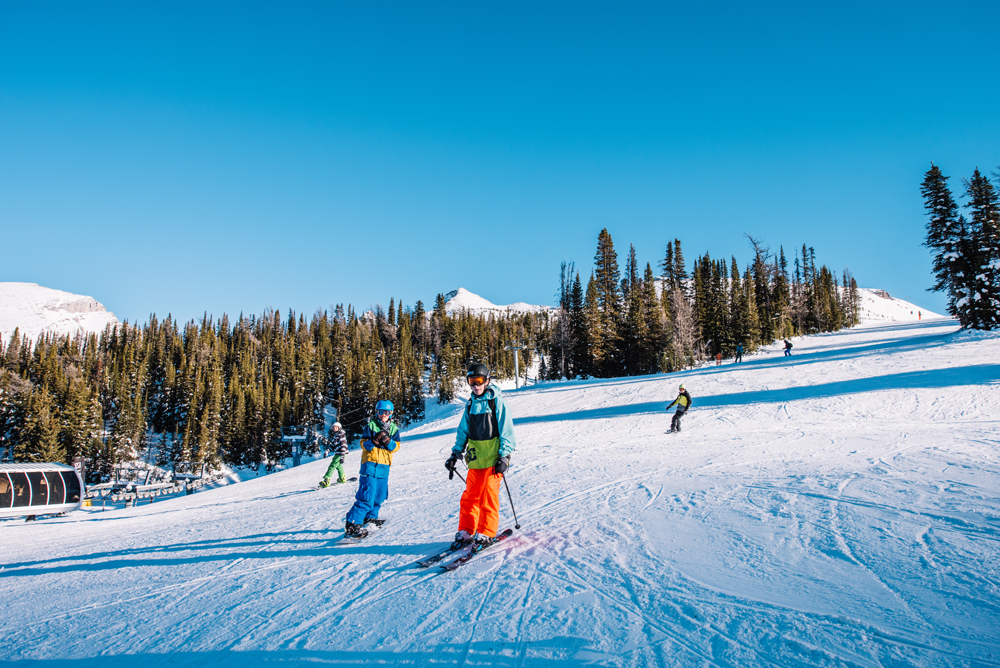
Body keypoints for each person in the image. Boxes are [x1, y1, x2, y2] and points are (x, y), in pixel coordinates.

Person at [445, 363, 517, 549]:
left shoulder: (497, 403)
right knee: (470, 497)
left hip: (493, 460)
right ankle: (466, 531)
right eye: (472, 381)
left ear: (487, 381)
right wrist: (455, 453)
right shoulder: (470, 405)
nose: (476, 386)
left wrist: (504, 456)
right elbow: (463, 432)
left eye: (479, 381)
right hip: (475, 460)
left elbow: (507, 432)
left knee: (488, 497)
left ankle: (486, 532)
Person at [344, 400, 401, 538]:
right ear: (377, 412)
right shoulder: (371, 426)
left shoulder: (394, 429)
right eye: (381, 412)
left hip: (384, 466)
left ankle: (370, 517)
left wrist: (389, 441)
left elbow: (396, 447)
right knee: (367, 495)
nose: (383, 415)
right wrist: (373, 441)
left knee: (380, 495)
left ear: (391, 414)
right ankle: (352, 523)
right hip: (370, 465)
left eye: (386, 412)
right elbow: (363, 444)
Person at [318, 422, 349, 487]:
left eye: (336, 427)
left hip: (341, 453)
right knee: (338, 466)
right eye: (333, 427)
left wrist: (342, 456)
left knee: (332, 466)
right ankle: (342, 477)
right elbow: (332, 445)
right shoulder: (336, 435)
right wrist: (327, 451)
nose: (334, 429)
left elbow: (344, 445)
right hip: (338, 453)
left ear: (339, 428)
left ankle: (327, 480)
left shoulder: (341, 435)